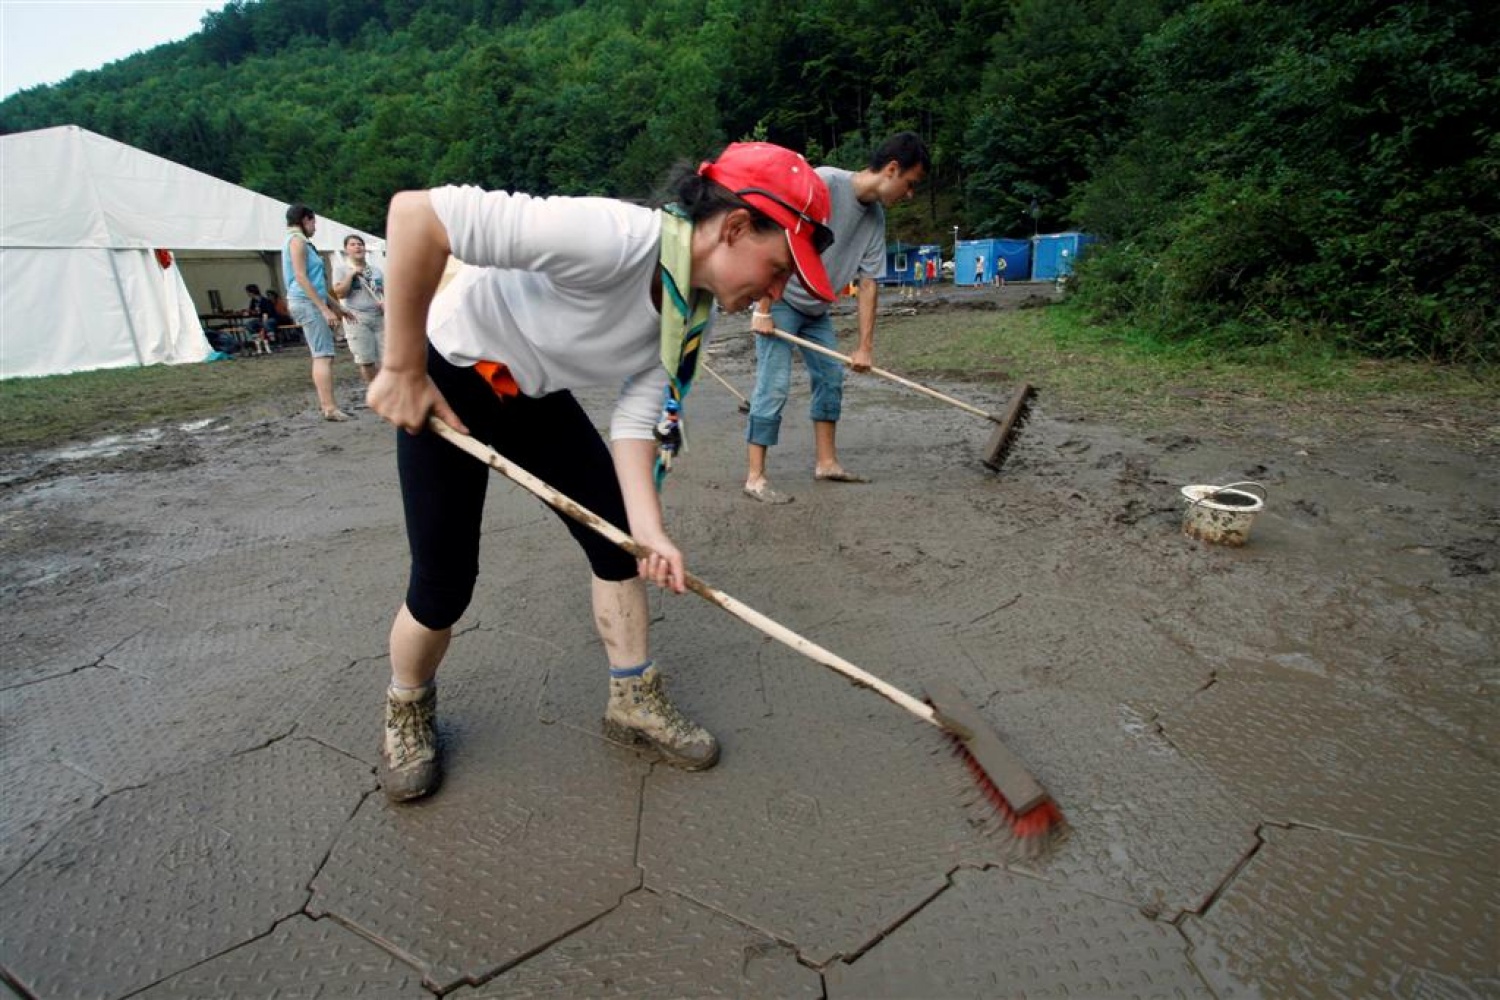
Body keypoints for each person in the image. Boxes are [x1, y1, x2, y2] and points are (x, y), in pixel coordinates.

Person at [365, 141, 836, 802]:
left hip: (531, 393)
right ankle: (406, 709)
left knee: (619, 542)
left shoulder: (684, 317)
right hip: (448, 376)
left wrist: (651, 533)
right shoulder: (612, 239)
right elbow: (418, 216)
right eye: (780, 268)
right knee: (444, 584)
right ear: (733, 229)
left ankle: (633, 698)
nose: (777, 290)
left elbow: (635, 424)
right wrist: (402, 368)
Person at [742, 131, 930, 504]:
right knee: (774, 384)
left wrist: (864, 347)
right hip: (780, 301)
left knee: (830, 378)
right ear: (892, 170)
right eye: (910, 185)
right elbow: (777, 237)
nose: (909, 195)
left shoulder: (875, 220)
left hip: (817, 309)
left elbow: (869, 282)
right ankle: (755, 477)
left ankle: (826, 462)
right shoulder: (824, 183)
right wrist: (762, 308)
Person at [283, 204, 357, 420]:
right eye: (313, 222)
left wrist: (338, 307)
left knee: (324, 353)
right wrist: (324, 309)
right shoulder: (297, 241)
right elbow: (301, 278)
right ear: (305, 220)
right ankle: (329, 407)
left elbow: (317, 283)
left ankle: (329, 405)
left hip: (310, 301)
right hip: (306, 302)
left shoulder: (301, 241)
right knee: (322, 354)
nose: (315, 227)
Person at [332, 235, 386, 383]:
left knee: (386, 359)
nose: (357, 247)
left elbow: (385, 291)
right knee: (366, 359)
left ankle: (387, 391)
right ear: (346, 250)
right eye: (353, 244)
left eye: (360, 244)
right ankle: (375, 390)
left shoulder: (375, 271)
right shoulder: (341, 269)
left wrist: (385, 301)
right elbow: (339, 292)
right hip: (357, 318)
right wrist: (351, 275)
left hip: (379, 317)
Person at [243, 284, 277, 354]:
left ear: (251, 293)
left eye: (248, 292)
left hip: (270, 318)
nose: (247, 294)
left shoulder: (265, 301)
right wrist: (248, 312)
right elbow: (251, 310)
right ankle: (256, 338)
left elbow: (267, 314)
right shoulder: (253, 301)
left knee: (266, 323)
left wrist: (263, 325)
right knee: (249, 324)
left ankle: (272, 338)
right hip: (261, 319)